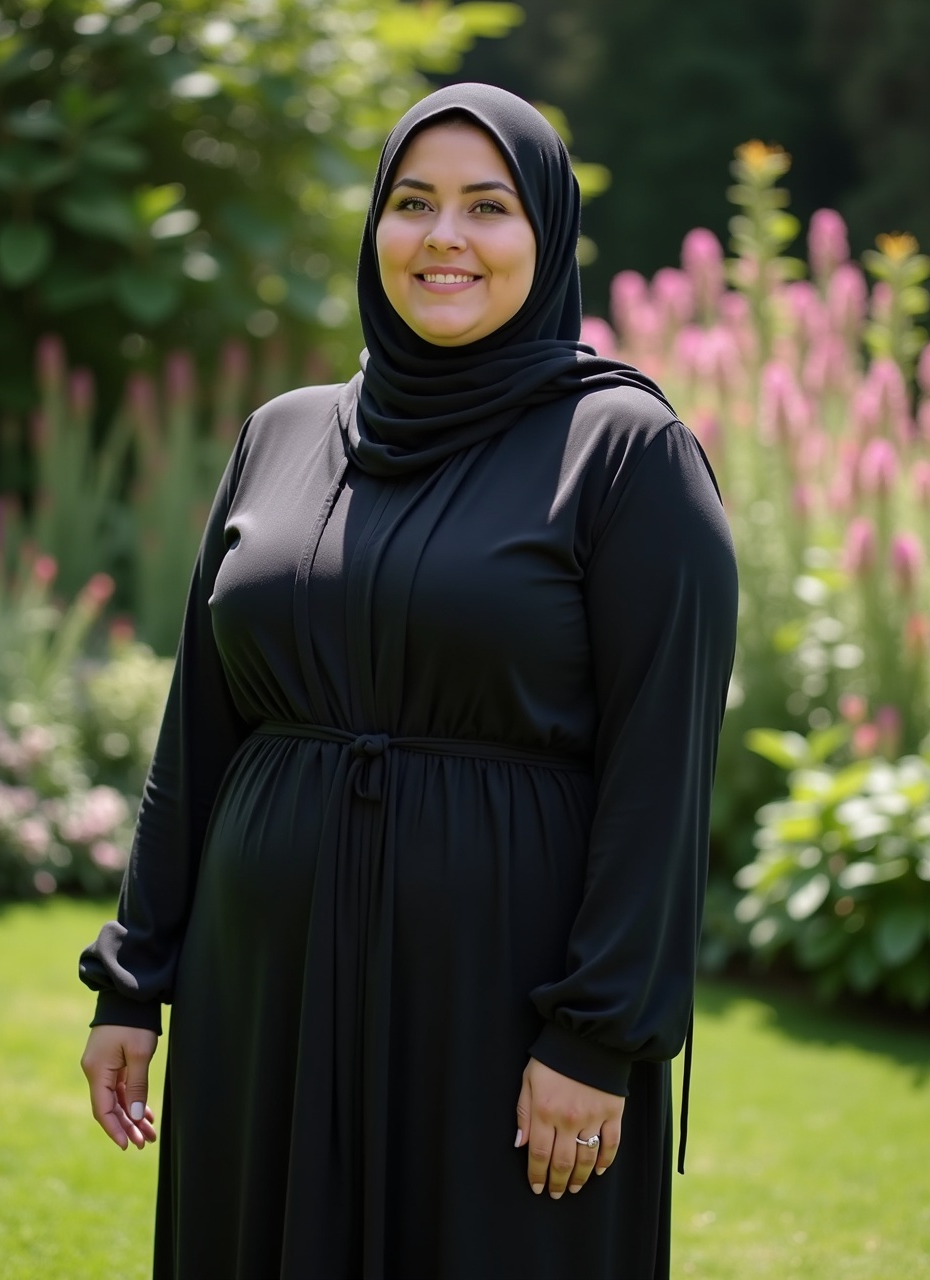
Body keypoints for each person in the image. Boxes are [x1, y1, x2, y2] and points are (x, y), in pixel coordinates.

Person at [79, 82, 738, 1279]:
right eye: (413, 202)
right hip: (265, 988)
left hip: (498, 998)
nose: (444, 238)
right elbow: (202, 732)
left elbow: (662, 775)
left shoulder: (628, 453)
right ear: (375, 225)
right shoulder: (280, 436)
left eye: (488, 207)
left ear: (544, 238)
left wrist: (596, 1036)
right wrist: (132, 979)